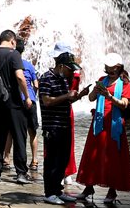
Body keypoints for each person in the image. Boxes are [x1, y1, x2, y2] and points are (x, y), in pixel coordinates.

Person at [76, 53, 130, 206]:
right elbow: (91, 99)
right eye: (107, 68)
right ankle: (89, 187)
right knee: (93, 154)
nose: (109, 70)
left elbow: (124, 104)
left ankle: (112, 190)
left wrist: (109, 97)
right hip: (99, 123)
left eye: (112, 68)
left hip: (114, 125)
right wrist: (96, 90)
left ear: (118, 67)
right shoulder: (103, 80)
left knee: (113, 156)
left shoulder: (125, 83)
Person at [0, 29, 34, 184]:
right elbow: (19, 76)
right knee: (19, 136)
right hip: (14, 102)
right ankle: (21, 173)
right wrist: (27, 97)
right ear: (12, 41)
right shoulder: (14, 54)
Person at [39, 50, 87, 204]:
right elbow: (46, 101)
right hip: (52, 126)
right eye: (69, 68)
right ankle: (49, 193)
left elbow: (64, 101)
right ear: (60, 66)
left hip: (64, 125)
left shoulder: (64, 79)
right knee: (51, 161)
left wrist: (79, 96)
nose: (72, 72)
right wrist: (67, 96)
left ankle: (57, 191)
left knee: (63, 159)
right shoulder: (46, 78)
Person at [5, 38, 40, 174]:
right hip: (30, 100)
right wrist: (32, 95)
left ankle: (6, 159)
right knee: (32, 132)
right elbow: (36, 84)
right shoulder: (29, 65)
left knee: (11, 132)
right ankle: (34, 161)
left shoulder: (11, 64)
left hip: (16, 101)